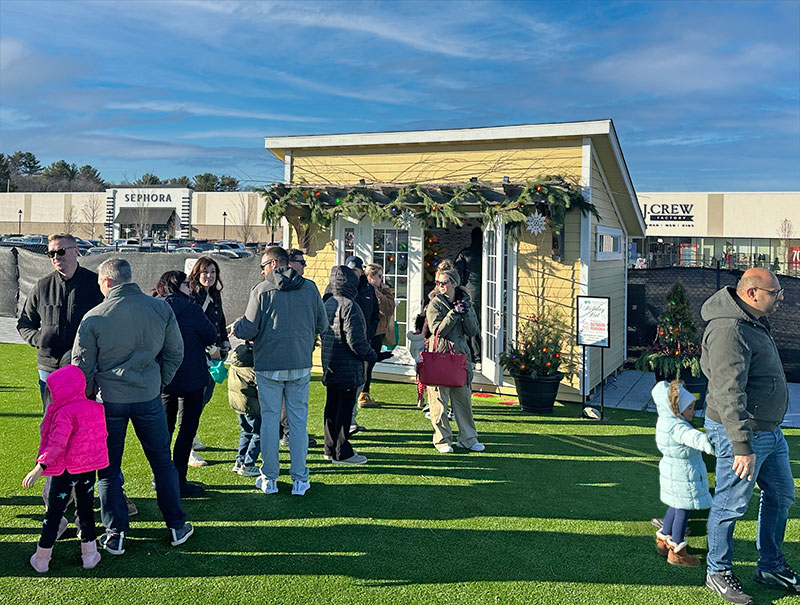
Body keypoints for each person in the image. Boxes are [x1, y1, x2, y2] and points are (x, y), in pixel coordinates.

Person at [72, 258, 194, 555]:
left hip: (109, 401)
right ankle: (177, 525)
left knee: (108, 469)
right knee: (162, 463)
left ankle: (115, 533)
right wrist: (158, 383)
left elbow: (82, 365)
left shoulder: (95, 316)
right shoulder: (159, 307)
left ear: (107, 282)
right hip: (148, 396)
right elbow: (175, 353)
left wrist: (89, 395)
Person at [700, 268, 797, 603]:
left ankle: (770, 565)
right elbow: (728, 392)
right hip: (743, 435)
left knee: (782, 495)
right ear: (753, 293)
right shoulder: (729, 329)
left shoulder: (750, 321)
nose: (780, 298)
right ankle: (717, 570)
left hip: (768, 430)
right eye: (775, 292)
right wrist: (741, 445)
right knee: (730, 504)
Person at [232, 246, 328, 497]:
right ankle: (299, 479)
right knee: (297, 423)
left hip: (269, 366)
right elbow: (322, 324)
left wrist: (237, 327)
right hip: (300, 362)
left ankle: (270, 478)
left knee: (270, 422)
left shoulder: (262, 290)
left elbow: (248, 329)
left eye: (263, 265)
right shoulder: (309, 288)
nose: (262, 270)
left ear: (273, 264)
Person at [23, 364, 109, 572]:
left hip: (65, 472)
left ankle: (42, 557)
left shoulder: (63, 413)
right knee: (86, 511)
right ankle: (89, 554)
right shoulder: (97, 408)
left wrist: (39, 468)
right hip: (88, 471)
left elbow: (56, 445)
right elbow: (101, 439)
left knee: (54, 513)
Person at [17, 233, 104, 406]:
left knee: (83, 422)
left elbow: (109, 323)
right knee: (52, 420)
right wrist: (40, 339)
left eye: (61, 251)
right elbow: (25, 323)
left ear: (76, 251)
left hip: (84, 368)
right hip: (49, 367)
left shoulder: (95, 284)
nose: (56, 257)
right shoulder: (42, 286)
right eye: (51, 253)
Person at [153, 270, 217, 497]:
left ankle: (160, 478)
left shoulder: (154, 307)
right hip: (191, 375)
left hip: (163, 376)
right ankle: (179, 480)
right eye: (187, 285)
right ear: (178, 285)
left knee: (163, 430)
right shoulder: (191, 308)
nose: (190, 288)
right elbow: (211, 334)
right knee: (186, 429)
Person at [321, 265, 386, 465]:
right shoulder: (350, 306)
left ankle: (329, 448)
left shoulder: (328, 303)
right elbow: (356, 341)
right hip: (347, 366)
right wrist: (373, 355)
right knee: (344, 409)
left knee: (331, 407)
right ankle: (342, 452)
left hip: (330, 363)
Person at [652, 380, 714, 567]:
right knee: (683, 510)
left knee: (675, 505)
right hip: (683, 474)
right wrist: (712, 445)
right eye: (690, 408)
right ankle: (677, 551)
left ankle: (663, 540)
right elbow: (693, 437)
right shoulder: (679, 427)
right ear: (678, 408)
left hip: (672, 471)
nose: (693, 412)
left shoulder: (666, 420)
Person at [425, 263, 483, 454]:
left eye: (444, 283)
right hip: (440, 356)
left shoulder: (465, 300)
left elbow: (473, 330)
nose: (440, 286)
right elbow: (438, 330)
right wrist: (453, 314)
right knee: (439, 403)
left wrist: (465, 312)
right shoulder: (434, 303)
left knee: (463, 400)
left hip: (460, 357)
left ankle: (468, 439)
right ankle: (442, 440)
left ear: (454, 284)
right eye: (438, 283)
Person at [187, 256, 231, 466]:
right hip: (196, 356)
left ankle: (191, 434)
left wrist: (224, 343)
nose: (209, 276)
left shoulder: (215, 295)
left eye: (213, 272)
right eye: (205, 272)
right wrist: (209, 348)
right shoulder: (192, 297)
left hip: (213, 357)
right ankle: (187, 448)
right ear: (197, 273)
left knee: (206, 396)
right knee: (191, 402)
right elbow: (192, 328)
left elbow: (220, 321)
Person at [278, 248, 318, 449]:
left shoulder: (308, 287)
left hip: (298, 348)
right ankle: (289, 433)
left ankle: (287, 431)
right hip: (284, 351)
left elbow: (317, 319)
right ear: (290, 263)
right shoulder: (271, 287)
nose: (304, 266)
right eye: (301, 262)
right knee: (290, 397)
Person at [359, 263, 395, 409]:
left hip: (373, 330)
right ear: (370, 276)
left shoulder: (369, 290)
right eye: (379, 276)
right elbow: (388, 307)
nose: (382, 280)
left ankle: (363, 392)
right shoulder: (373, 291)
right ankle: (363, 394)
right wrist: (387, 291)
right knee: (368, 363)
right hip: (374, 332)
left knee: (368, 363)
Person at [227, 341, 262, 477]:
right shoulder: (251, 371)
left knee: (246, 431)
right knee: (258, 433)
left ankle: (240, 460)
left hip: (238, 405)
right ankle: (248, 463)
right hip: (251, 406)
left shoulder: (235, 366)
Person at [454, 227, 482, 362]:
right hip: (488, 292)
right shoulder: (490, 252)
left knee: (469, 322)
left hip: (470, 291)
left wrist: (461, 288)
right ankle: (479, 354)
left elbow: (457, 274)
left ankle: (472, 354)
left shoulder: (465, 253)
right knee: (482, 323)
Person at [407, 313, 427, 409]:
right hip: (428, 361)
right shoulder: (425, 338)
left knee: (420, 381)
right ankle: (429, 400)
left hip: (418, 362)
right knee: (429, 382)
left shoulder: (413, 338)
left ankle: (420, 398)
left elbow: (412, 351)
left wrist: (416, 358)